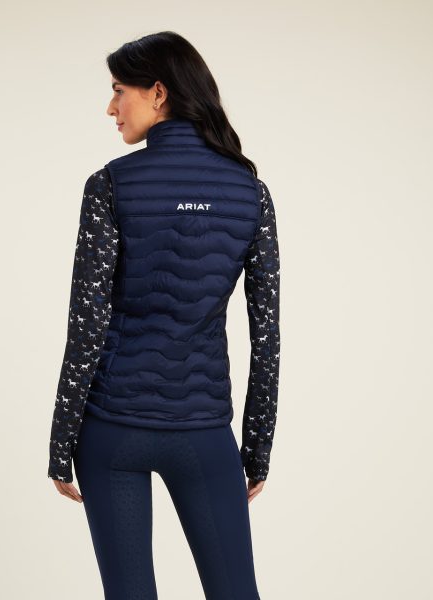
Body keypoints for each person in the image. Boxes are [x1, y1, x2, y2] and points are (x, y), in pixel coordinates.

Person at [47, 31, 280, 600]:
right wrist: (256, 448)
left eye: (118, 90)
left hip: (111, 432)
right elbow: (267, 334)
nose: (111, 108)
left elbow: (86, 325)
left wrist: (60, 442)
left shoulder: (110, 185)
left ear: (158, 93)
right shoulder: (250, 192)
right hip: (203, 433)